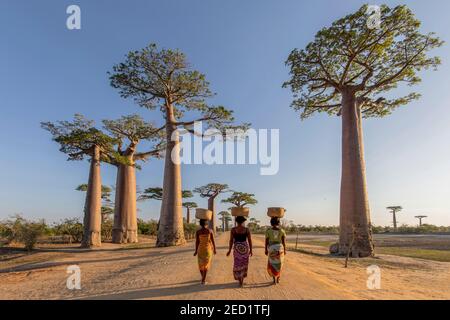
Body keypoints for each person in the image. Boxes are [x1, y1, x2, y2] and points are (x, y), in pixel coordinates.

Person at [226, 216, 253, 287]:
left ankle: (239, 279)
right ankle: (242, 279)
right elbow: (249, 240)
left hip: (237, 248)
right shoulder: (246, 230)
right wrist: (251, 250)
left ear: (236, 221)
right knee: (244, 263)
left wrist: (229, 250)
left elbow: (231, 240)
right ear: (243, 221)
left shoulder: (233, 230)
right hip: (245, 248)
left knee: (237, 263)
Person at [194, 219, 217, 285]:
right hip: (208, 250)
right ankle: (203, 280)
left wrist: (196, 251)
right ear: (206, 224)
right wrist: (215, 249)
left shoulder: (198, 232)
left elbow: (197, 242)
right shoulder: (209, 231)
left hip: (200, 250)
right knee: (206, 264)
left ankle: (203, 278)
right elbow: (213, 241)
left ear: (200, 224)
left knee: (201, 264)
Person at [265, 217, 286, 284]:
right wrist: (285, 250)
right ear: (278, 223)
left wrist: (265, 249)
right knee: (279, 263)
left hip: (271, 249)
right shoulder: (282, 231)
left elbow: (266, 241)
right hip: (280, 249)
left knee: (272, 263)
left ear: (271, 223)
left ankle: (274, 279)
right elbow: (283, 242)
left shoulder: (268, 231)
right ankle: (278, 278)